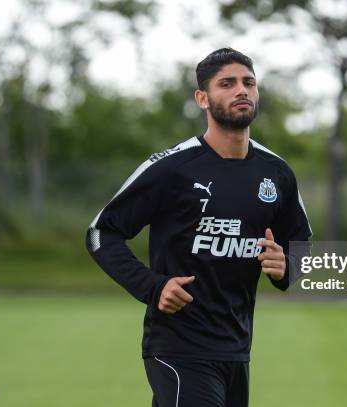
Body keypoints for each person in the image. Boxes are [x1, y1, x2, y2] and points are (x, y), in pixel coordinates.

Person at [86, 47, 312, 407]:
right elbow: (101, 232)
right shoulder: (172, 168)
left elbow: (301, 243)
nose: (242, 90)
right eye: (227, 83)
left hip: (237, 351)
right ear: (202, 98)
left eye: (248, 83)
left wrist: (286, 266)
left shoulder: (276, 172)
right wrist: (153, 286)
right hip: (177, 347)